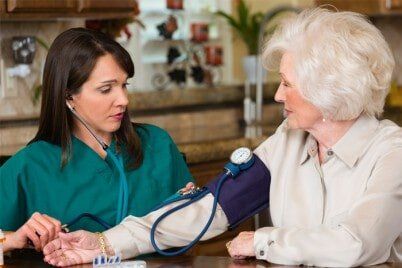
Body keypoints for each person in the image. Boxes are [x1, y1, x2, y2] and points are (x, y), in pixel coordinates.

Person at [43, 7, 401, 267]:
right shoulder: (288, 142)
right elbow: (208, 209)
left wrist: (263, 241)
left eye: (287, 84)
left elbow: (356, 245)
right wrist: (106, 242)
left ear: (329, 92)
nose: (277, 95)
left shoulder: (391, 153)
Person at [0, 28, 194, 253]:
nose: (123, 100)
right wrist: (12, 239)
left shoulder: (157, 144)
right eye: (105, 89)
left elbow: (196, 223)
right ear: (68, 96)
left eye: (124, 85)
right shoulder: (30, 166)